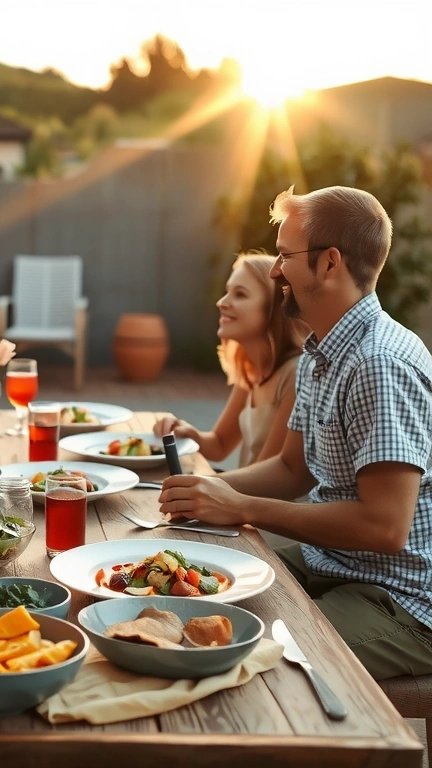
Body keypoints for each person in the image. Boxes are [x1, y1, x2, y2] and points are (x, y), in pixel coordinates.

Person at [159, 186, 432, 680]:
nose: (276, 270)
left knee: (244, 651)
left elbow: (385, 527)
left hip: (404, 600)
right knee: (198, 580)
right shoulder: (320, 352)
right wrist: (206, 490)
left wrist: (239, 506)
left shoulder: (379, 363)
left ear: (329, 263)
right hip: (333, 563)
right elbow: (291, 469)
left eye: (285, 255)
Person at [154, 252, 308, 467]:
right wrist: (187, 432)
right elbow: (219, 445)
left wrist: (206, 486)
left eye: (240, 294)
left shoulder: (296, 373)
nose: (221, 303)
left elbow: (269, 476)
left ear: (274, 308)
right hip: (244, 495)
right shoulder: (252, 370)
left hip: (263, 499)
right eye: (227, 292)